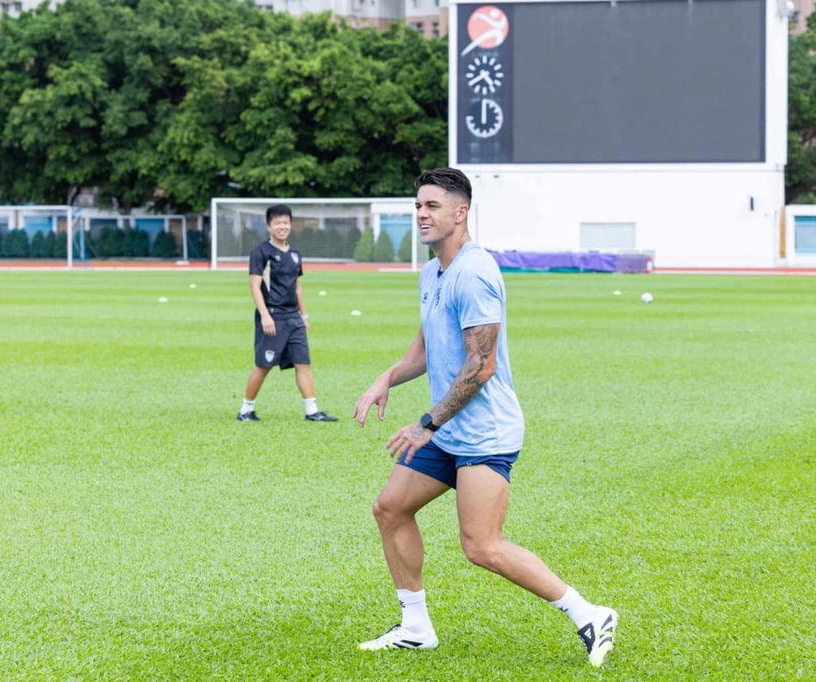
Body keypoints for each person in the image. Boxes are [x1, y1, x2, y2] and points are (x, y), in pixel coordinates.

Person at [352, 168, 616, 667]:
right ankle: (414, 627)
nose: (422, 214)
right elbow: (429, 346)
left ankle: (589, 613)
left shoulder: (474, 272)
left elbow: (481, 364)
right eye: (418, 206)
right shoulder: (433, 272)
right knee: (390, 508)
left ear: (461, 212)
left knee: (482, 545)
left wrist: (425, 423)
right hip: (449, 431)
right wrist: (386, 377)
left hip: (484, 433)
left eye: (432, 206)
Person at [237, 204, 336, 423]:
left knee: (303, 363)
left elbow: (297, 286)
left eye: (285, 222)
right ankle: (245, 409)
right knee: (264, 366)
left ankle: (312, 411)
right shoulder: (261, 253)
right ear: (269, 226)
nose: (282, 226)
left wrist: (304, 315)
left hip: (294, 318)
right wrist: (264, 315)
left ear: (290, 224)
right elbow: (254, 285)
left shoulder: (294, 253)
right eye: (277, 223)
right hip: (273, 316)